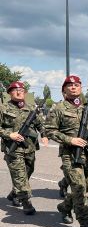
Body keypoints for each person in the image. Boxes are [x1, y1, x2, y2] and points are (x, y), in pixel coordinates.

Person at [45, 75, 88, 227]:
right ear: (64, 89)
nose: (74, 87)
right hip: (69, 154)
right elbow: (49, 130)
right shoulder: (58, 108)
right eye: (70, 85)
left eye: (77, 84)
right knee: (79, 188)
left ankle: (64, 207)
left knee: (86, 186)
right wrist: (70, 140)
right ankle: (84, 221)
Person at [0, 81, 48, 214]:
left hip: (30, 148)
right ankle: (26, 202)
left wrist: (44, 134)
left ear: (25, 93)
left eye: (21, 89)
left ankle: (15, 193)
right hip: (13, 148)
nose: (19, 91)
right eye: (15, 90)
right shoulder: (3, 108)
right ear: (9, 93)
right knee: (20, 176)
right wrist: (10, 134)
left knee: (28, 172)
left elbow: (39, 123)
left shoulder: (31, 107)